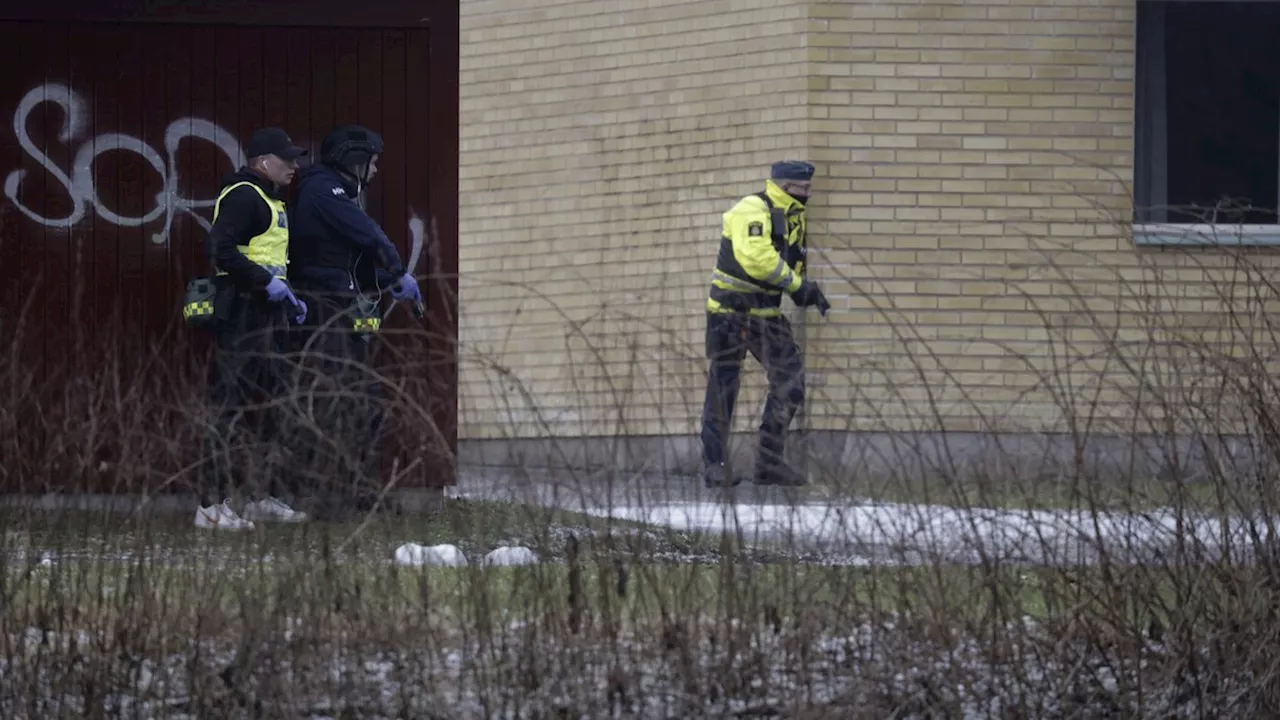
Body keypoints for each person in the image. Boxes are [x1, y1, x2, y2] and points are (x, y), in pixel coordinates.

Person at [285, 124, 424, 519]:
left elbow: (346, 262)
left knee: (364, 403)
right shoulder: (323, 191)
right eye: (373, 163)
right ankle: (329, 498)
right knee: (337, 402)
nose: (376, 171)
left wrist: (384, 282)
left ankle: (360, 493)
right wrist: (397, 271)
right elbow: (370, 236)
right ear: (355, 161)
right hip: (324, 310)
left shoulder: (335, 193)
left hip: (339, 304)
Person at [195, 127, 312, 530]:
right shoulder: (245, 196)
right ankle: (210, 507)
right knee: (229, 409)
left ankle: (264, 496)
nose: (295, 166)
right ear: (264, 162)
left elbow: (268, 258)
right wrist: (267, 284)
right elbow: (220, 249)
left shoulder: (269, 199)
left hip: (267, 316)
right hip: (243, 315)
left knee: (272, 409)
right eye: (287, 159)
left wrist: (288, 297)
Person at [699, 160, 831, 489]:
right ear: (787, 186)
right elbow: (756, 258)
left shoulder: (793, 217)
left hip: (766, 315)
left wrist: (804, 290)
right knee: (723, 388)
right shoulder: (752, 208)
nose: (808, 194)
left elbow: (788, 261)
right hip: (730, 313)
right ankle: (715, 466)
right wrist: (797, 286)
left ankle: (768, 463)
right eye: (804, 189)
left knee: (791, 381)